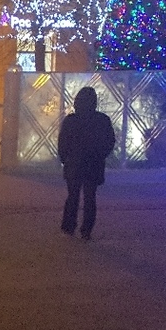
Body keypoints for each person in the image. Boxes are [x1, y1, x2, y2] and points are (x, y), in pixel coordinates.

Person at [58, 86, 117, 240]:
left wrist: (65, 159)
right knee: (90, 198)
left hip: (74, 164)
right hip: (93, 164)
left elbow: (63, 142)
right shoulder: (102, 120)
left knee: (73, 197)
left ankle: (69, 226)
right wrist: (100, 155)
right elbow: (109, 141)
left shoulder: (71, 120)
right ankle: (86, 229)